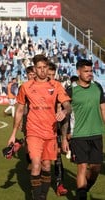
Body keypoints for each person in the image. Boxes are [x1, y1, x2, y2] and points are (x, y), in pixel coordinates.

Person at [7, 54, 71, 200]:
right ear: (34, 69)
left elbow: (67, 105)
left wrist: (64, 110)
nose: (42, 70)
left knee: (47, 166)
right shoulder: (26, 87)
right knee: (36, 164)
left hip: (51, 131)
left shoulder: (56, 85)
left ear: (48, 68)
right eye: (39, 68)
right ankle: (37, 197)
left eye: (44, 67)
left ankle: (42, 195)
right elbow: (19, 110)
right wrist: (13, 133)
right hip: (33, 131)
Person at [62, 59, 105, 200]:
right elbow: (66, 115)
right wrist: (64, 137)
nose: (89, 74)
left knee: (96, 168)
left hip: (96, 133)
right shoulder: (71, 90)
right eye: (86, 71)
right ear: (78, 72)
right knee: (82, 167)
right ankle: (82, 196)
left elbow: (103, 108)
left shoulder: (98, 87)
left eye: (91, 71)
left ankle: (83, 190)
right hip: (78, 135)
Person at [47, 62, 68, 196]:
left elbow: (65, 107)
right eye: (49, 75)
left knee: (58, 156)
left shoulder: (57, 87)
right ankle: (41, 185)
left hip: (55, 127)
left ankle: (59, 185)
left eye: (53, 75)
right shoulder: (34, 87)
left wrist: (65, 135)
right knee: (44, 160)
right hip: (39, 127)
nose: (51, 78)